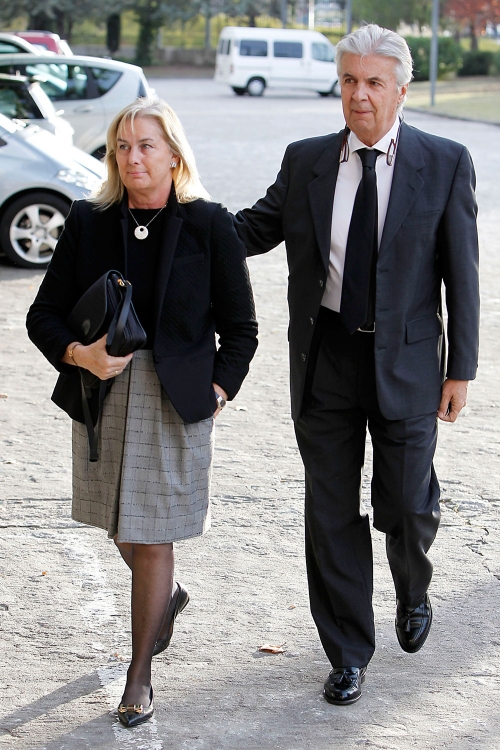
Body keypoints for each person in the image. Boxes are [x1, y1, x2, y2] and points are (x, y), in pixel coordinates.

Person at [234, 24, 479, 705]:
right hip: (327, 359)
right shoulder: (308, 159)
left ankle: (412, 583)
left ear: (401, 89)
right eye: (348, 81)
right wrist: (175, 212)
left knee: (404, 502)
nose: (359, 95)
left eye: (373, 82)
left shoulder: (447, 161)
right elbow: (250, 230)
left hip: (406, 363)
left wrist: (460, 369)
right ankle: (347, 651)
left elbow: (463, 275)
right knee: (331, 511)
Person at [26, 98, 258, 727]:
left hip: (176, 398)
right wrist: (79, 354)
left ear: (174, 152)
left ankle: (140, 672)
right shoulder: (88, 220)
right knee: (120, 523)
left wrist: (218, 391)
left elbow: (242, 329)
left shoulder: (210, 225)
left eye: (146, 145)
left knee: (153, 536)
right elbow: (40, 315)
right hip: (101, 392)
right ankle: (167, 600)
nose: (132, 158)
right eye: (121, 146)